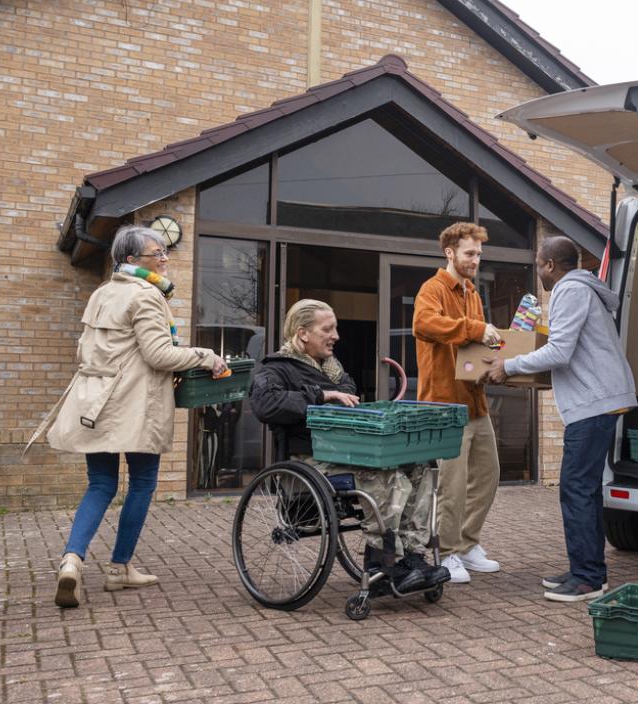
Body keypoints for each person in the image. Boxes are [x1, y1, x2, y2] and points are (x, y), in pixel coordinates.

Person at [34, 225, 228, 608]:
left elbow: (83, 352)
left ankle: (71, 559)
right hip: (135, 406)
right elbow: (159, 356)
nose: (165, 259)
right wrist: (206, 356)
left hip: (95, 404)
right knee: (141, 483)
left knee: (100, 485)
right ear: (131, 260)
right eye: (157, 254)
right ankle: (120, 568)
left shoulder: (102, 294)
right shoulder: (147, 296)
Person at [248, 299, 449, 592]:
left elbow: (347, 390)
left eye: (336, 328)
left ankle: (413, 556)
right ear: (303, 333)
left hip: (346, 453)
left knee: (417, 466)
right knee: (383, 476)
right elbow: (265, 404)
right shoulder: (276, 368)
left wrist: (333, 391)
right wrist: (321, 395)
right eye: (327, 329)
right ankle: (383, 565)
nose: (336, 336)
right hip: (308, 460)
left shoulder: (333, 369)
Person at [483, 236, 636, 602]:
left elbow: (560, 351)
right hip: (600, 399)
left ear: (551, 264)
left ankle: (587, 579)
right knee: (583, 489)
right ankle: (586, 569)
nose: (538, 272)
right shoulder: (585, 289)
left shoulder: (570, 290)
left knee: (575, 488)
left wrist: (511, 366)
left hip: (593, 403)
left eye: (539, 264)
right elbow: (572, 351)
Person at [412, 222, 504, 584]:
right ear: (450, 253)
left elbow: (473, 347)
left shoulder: (473, 293)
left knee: (488, 475)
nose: (475, 260)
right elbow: (424, 323)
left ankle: (466, 544)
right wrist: (474, 328)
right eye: (469, 253)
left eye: (479, 254)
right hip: (443, 404)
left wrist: (495, 354)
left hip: (474, 402)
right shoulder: (432, 289)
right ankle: (446, 553)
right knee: (451, 484)